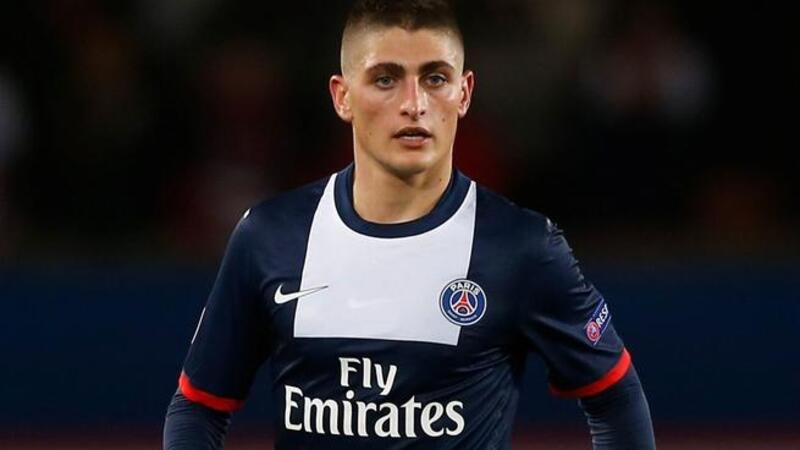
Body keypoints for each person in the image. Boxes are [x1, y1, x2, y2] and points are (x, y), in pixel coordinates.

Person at [163, 1, 656, 449]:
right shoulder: (270, 236)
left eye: (436, 78)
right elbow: (198, 406)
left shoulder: (521, 246)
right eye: (385, 79)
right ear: (342, 96)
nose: (414, 103)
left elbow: (615, 398)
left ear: (464, 93)